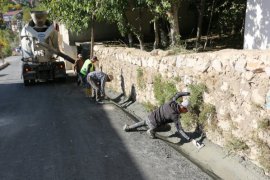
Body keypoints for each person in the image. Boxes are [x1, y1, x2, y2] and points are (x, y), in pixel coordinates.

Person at [123, 92, 203, 147]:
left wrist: (187, 93)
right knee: (168, 127)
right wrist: (191, 139)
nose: (186, 112)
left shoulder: (172, 102)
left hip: (150, 117)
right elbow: (180, 130)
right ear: (183, 108)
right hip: (154, 124)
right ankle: (151, 131)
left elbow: (177, 94)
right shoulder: (175, 116)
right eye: (186, 110)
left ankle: (128, 128)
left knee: (144, 122)